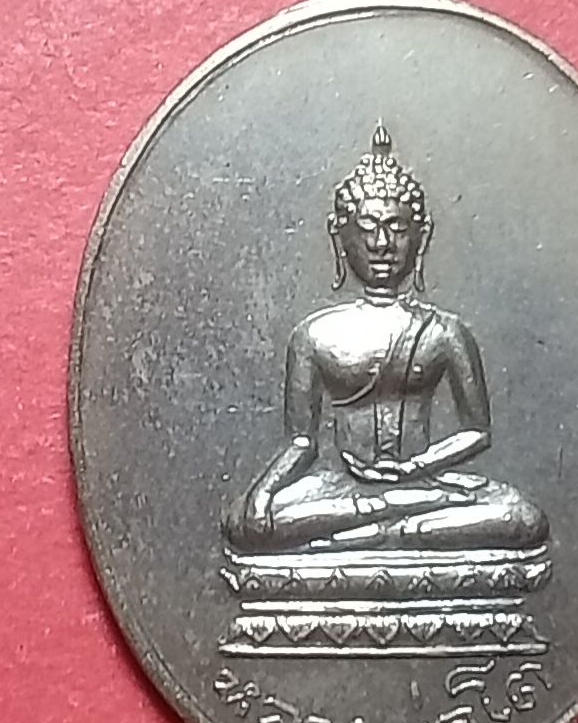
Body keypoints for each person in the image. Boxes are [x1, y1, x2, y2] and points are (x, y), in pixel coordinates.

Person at [226, 125, 547, 553]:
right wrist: (264, 492)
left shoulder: (444, 332)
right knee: (245, 522)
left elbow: (476, 431)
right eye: (368, 228)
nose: (382, 244)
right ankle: (398, 526)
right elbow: (302, 441)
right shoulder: (314, 335)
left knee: (520, 517)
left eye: (397, 228)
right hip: (342, 490)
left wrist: (417, 467)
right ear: (341, 238)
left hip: (425, 484)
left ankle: (368, 531)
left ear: (421, 236)